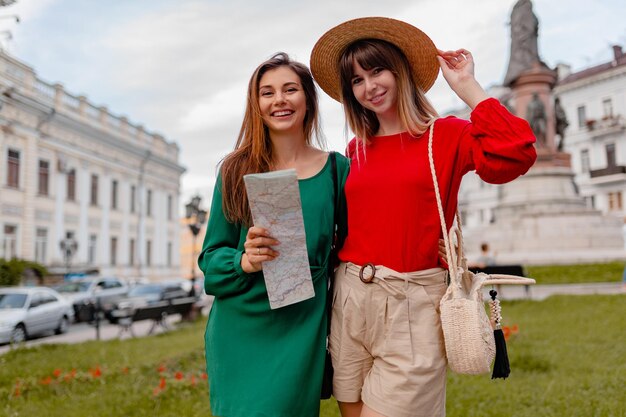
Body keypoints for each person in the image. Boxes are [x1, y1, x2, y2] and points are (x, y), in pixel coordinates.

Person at [310, 17, 537, 417]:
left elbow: (517, 152)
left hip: (411, 303)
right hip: (349, 299)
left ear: (400, 71)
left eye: (377, 70)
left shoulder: (445, 136)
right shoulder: (355, 149)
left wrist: (467, 86)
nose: (369, 87)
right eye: (357, 80)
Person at [197, 52, 350, 417]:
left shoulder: (335, 169)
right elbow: (211, 258)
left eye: (290, 89)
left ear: (308, 99)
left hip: (301, 324)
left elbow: (352, 243)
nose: (279, 100)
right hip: (241, 327)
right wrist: (243, 260)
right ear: (257, 104)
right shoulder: (235, 169)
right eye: (267, 93)